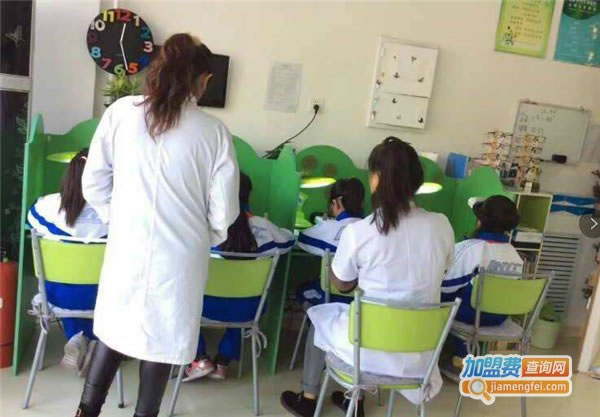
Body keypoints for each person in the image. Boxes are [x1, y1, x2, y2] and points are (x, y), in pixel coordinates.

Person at [75, 34, 239, 417]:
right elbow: (223, 213)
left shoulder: (121, 113)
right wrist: (199, 236)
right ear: (201, 79)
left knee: (114, 331)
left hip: (126, 248)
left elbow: (93, 183)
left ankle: (86, 410)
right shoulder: (213, 132)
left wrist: (121, 220)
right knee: (162, 343)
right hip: (181, 259)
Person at [280, 137, 455, 417]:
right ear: (417, 180)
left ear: (376, 179)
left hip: (368, 356)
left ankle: (310, 397)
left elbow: (342, 283)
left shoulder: (360, 231)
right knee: (361, 321)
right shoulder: (442, 225)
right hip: (420, 356)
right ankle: (354, 402)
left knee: (321, 316)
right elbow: (444, 269)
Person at [184, 172, 294, 381]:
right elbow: (288, 241)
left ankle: (199, 358)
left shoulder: (203, 226)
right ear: (248, 195)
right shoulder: (262, 225)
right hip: (249, 310)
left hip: (207, 307)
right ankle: (223, 361)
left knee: (184, 297)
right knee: (241, 292)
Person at [27, 148, 107, 375]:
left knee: (68, 283)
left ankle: (77, 338)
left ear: (69, 174)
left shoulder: (45, 207)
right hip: (101, 299)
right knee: (93, 285)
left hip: (57, 297)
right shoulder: (117, 213)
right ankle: (91, 342)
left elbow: (30, 219)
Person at [441, 195, 522, 368]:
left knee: (437, 294)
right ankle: (462, 354)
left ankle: (448, 354)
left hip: (469, 315)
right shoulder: (515, 255)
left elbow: (445, 286)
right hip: (499, 316)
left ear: (480, 221)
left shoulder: (470, 248)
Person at [295, 178, 365, 306]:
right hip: (363, 302)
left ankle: (318, 318)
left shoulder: (329, 227)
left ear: (336, 202)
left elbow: (301, 239)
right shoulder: (373, 230)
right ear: (362, 203)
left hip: (332, 298)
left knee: (302, 290)